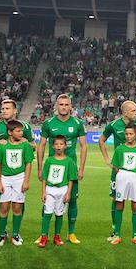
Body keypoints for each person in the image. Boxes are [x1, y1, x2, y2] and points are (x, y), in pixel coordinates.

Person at [99, 99, 136, 242]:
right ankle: (114, 230)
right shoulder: (113, 125)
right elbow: (101, 140)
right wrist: (107, 159)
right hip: (119, 170)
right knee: (116, 199)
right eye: (133, 110)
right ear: (124, 112)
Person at [37, 94, 88, 244]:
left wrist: (81, 168)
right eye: (61, 104)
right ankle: (43, 234)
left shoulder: (78, 123)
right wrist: (40, 168)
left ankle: (71, 233)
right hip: (52, 169)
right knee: (47, 201)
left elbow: (84, 146)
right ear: (56, 106)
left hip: (70, 168)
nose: (64, 107)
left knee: (71, 200)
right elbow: (41, 146)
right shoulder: (48, 123)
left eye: (66, 105)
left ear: (70, 106)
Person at [0, 120, 34, 247]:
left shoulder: (25, 145)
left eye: (21, 130)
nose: (21, 133)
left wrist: (26, 180)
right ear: (10, 132)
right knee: (4, 207)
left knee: (17, 207)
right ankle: (1, 235)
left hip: (19, 178)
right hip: (5, 179)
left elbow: (28, 163)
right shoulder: (1, 146)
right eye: (18, 131)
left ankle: (15, 234)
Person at [109, 123, 136, 245]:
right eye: (126, 134)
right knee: (119, 203)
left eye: (131, 134)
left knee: (135, 204)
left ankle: (135, 235)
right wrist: (123, 175)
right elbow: (116, 167)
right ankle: (117, 234)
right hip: (122, 175)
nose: (128, 136)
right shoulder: (119, 149)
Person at [37, 134, 72, 248]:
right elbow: (44, 178)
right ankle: (44, 237)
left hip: (63, 190)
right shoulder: (49, 161)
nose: (58, 146)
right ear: (52, 146)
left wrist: (68, 193)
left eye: (61, 144)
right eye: (56, 144)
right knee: (47, 213)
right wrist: (43, 192)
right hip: (50, 190)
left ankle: (57, 236)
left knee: (59, 214)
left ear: (65, 146)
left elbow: (71, 179)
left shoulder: (69, 161)